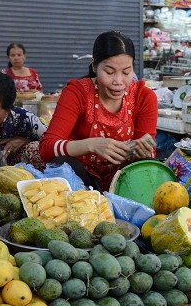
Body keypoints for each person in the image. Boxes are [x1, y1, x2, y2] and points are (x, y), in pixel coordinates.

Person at [39, 31, 157, 191]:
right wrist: (91, 145)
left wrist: (144, 152)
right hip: (81, 177)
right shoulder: (77, 93)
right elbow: (46, 147)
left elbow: (150, 151)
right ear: (95, 66)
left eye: (126, 72)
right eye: (109, 72)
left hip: (122, 179)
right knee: (61, 164)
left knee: (151, 168)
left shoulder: (144, 96)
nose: (118, 81)